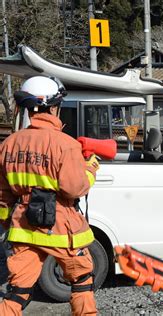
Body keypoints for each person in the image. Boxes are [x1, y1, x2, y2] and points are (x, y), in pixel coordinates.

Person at [0, 76, 99, 315]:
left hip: (23, 228)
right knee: (82, 281)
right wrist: (91, 168)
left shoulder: (9, 144)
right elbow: (75, 188)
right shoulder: (66, 144)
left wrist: (7, 222)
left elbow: (3, 195)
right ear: (54, 107)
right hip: (62, 229)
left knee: (18, 291)